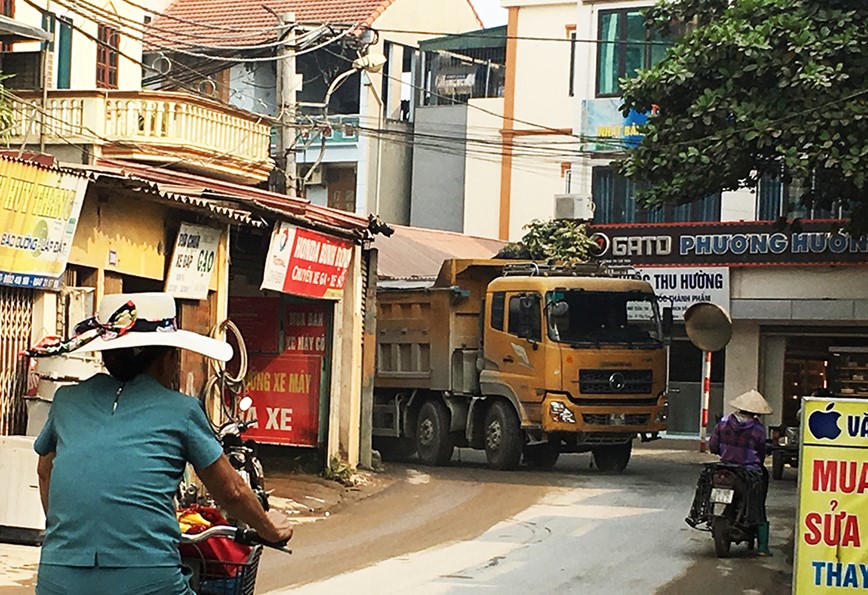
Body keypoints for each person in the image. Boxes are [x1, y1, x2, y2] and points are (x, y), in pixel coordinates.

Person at [26, 292, 294, 595]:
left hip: (58, 576)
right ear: (168, 357)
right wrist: (270, 530)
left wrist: (70, 537)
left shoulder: (66, 401)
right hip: (147, 579)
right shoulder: (182, 410)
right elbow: (231, 491)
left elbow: (45, 473)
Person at [708, 389, 774, 556]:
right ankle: (763, 547)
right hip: (748, 472)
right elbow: (761, 452)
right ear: (755, 412)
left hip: (724, 468)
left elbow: (713, 446)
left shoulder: (722, 423)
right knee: (758, 503)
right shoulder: (758, 429)